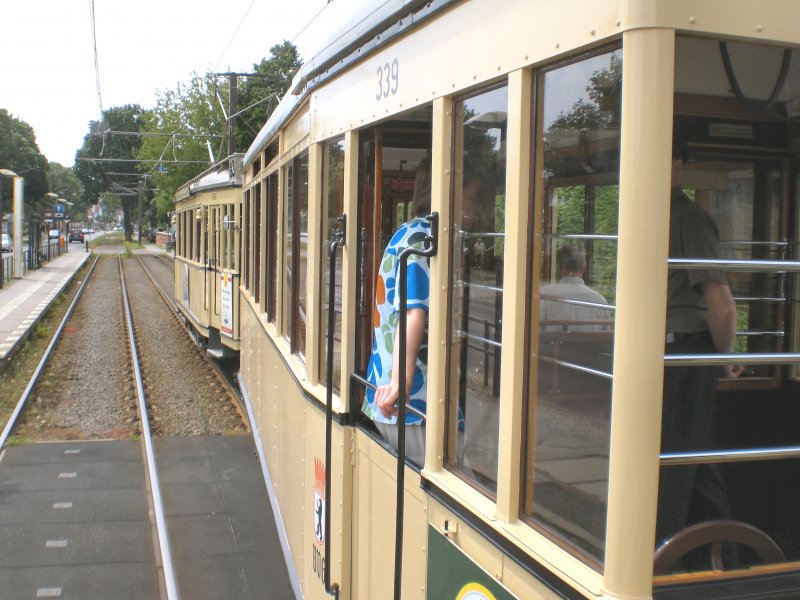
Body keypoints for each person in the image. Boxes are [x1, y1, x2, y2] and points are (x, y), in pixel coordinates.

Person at [656, 136, 743, 565]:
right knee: (692, 462)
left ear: (678, 165)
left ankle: (668, 565)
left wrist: (723, 356)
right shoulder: (664, 215)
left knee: (677, 467)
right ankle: (720, 561)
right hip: (673, 354)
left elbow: (720, 305)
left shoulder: (686, 217)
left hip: (685, 354)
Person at [362, 155, 432, 464]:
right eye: (473, 193)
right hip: (409, 403)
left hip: (388, 393)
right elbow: (412, 311)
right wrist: (401, 383)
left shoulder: (407, 231)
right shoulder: (423, 238)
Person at [539, 244, 611, 331]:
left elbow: (535, 331)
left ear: (559, 267)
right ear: (584, 267)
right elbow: (606, 336)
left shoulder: (544, 296)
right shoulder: (600, 302)